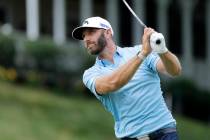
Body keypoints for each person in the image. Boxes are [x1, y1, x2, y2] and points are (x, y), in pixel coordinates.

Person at [72, 16, 182, 140]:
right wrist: (142, 55)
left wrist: (162, 50)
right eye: (84, 36)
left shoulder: (139, 50)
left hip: (164, 133)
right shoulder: (90, 74)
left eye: (91, 32)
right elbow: (112, 84)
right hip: (130, 137)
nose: (86, 39)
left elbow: (174, 71)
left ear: (107, 32)